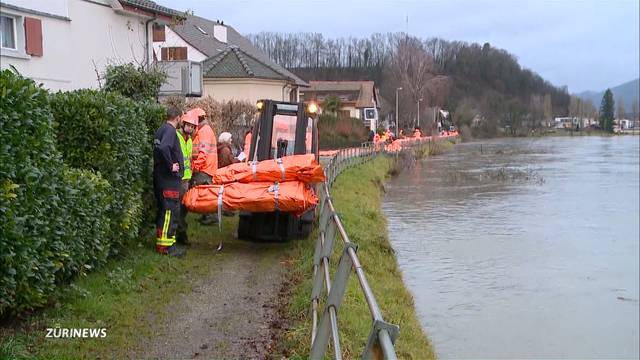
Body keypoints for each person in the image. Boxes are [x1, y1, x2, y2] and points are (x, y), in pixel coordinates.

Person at [153, 105, 186, 257]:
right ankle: (166, 248)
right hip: (168, 180)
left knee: (165, 212)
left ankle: (165, 244)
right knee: (169, 213)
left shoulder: (161, 129)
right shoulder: (170, 131)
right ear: (178, 117)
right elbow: (164, 148)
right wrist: (171, 165)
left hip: (161, 178)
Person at [189, 108, 218, 225]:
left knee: (206, 194)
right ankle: (207, 216)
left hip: (204, 169)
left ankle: (212, 217)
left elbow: (203, 153)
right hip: (206, 168)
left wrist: (195, 167)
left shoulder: (204, 131)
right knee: (205, 193)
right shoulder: (203, 130)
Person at [175, 111, 198, 245]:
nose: (190, 128)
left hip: (186, 179)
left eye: (193, 126)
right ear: (183, 124)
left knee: (183, 209)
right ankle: (181, 236)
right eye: (188, 125)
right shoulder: (176, 137)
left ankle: (181, 234)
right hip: (178, 179)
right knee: (179, 209)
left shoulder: (189, 140)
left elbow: (188, 160)